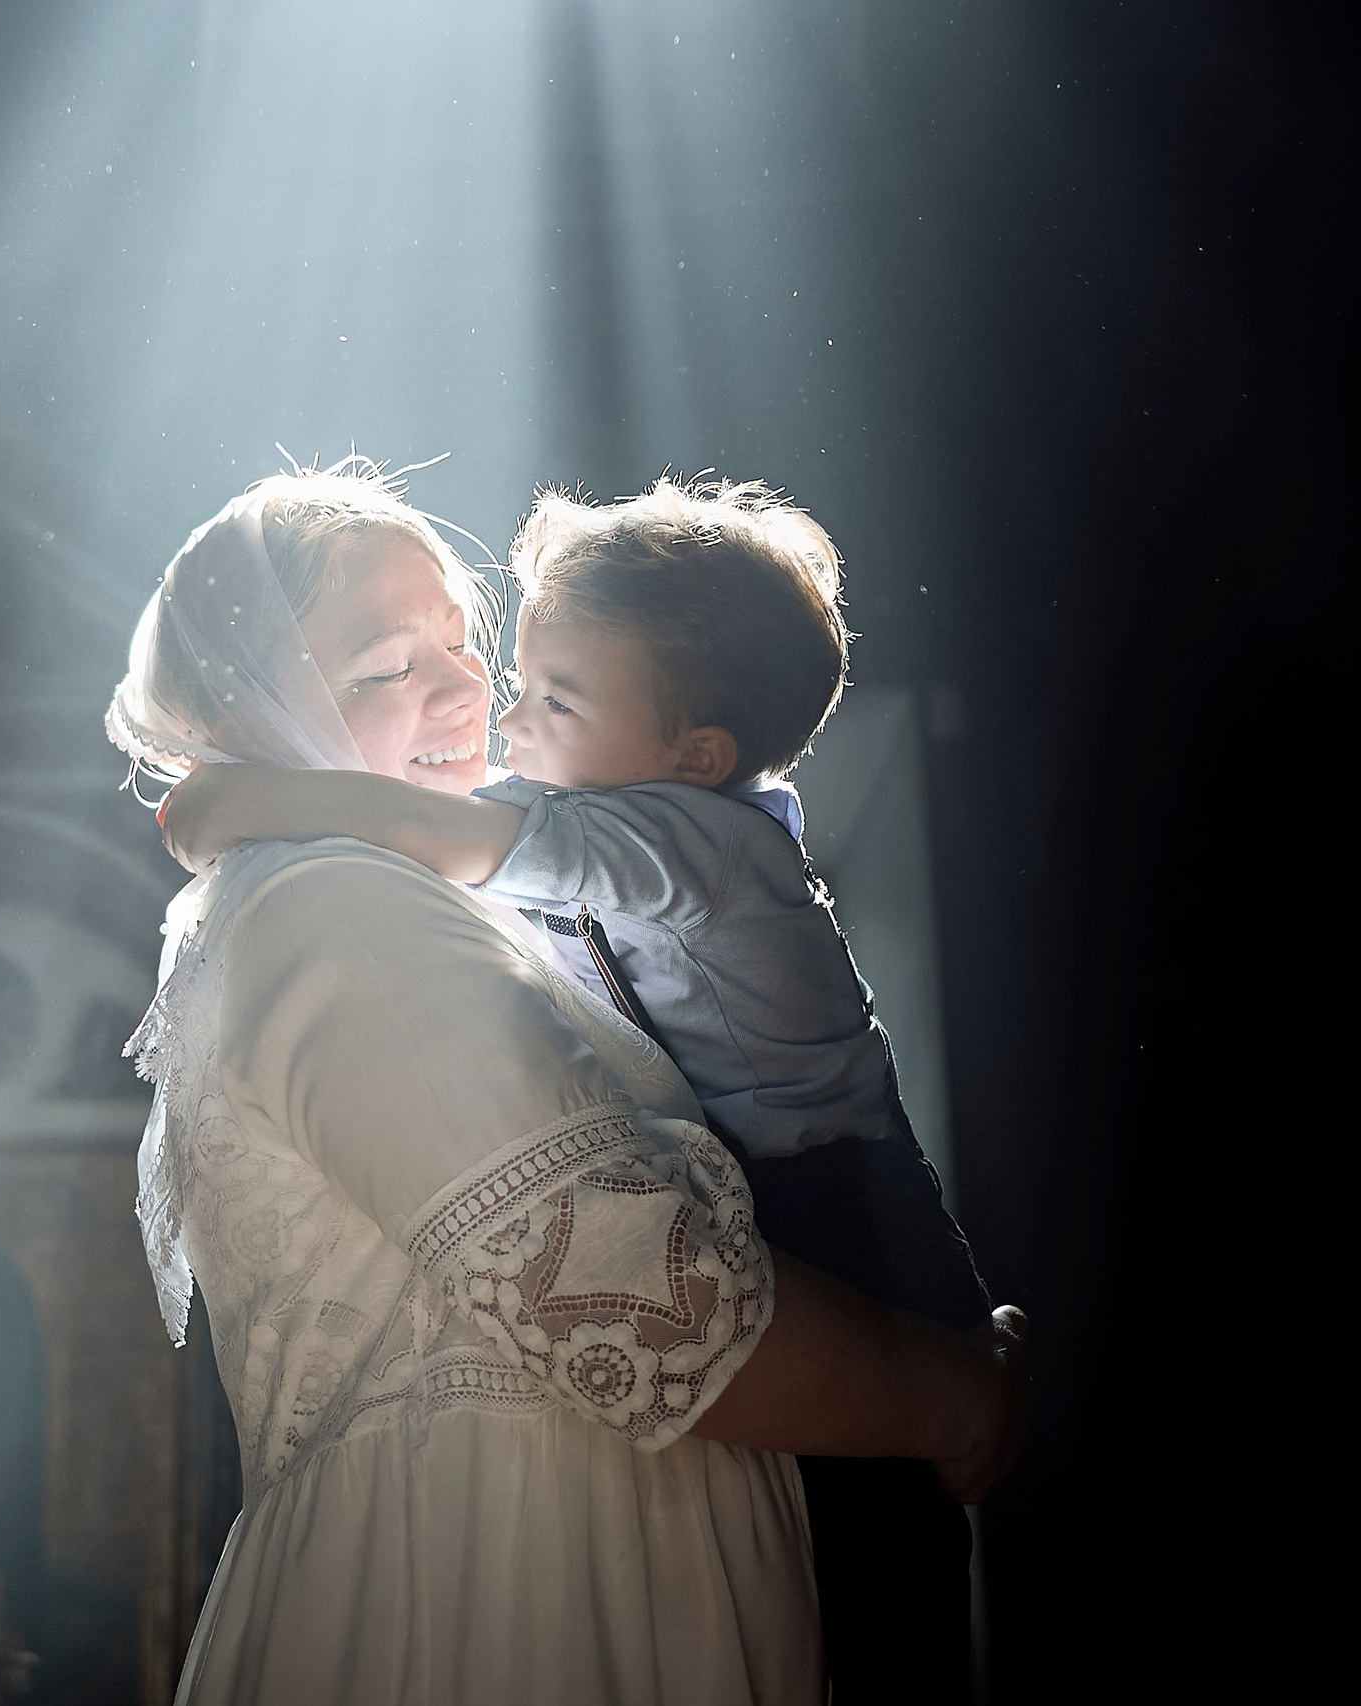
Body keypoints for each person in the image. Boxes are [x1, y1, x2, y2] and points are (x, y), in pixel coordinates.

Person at [108, 462, 1023, 1706]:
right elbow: (625, 1291)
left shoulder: (448, 885)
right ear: (255, 702)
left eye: (459, 637)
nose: (466, 686)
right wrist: (950, 1395)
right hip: (498, 1584)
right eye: (387, 666)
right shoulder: (337, 905)